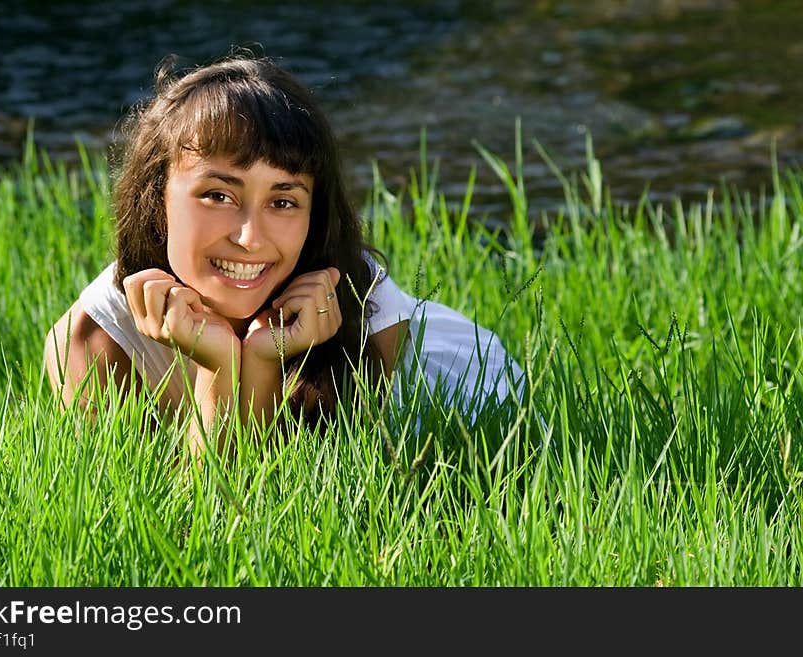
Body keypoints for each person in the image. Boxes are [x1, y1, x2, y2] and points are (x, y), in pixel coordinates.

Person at [43, 50, 526, 458]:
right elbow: (190, 526)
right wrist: (221, 369)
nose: (250, 238)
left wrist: (260, 360)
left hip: (466, 386)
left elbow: (295, 507)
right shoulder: (91, 343)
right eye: (218, 195)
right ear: (157, 199)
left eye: (283, 201)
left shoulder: (365, 313)